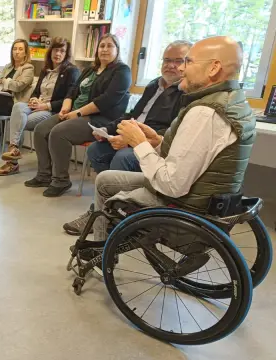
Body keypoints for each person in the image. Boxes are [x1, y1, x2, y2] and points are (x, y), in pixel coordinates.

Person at [68, 36, 255, 244]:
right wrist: (156, 140)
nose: (181, 68)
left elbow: (171, 185)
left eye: (188, 61)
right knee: (105, 173)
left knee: (113, 173)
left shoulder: (205, 112)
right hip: (204, 195)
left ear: (213, 68)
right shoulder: (231, 101)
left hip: (185, 205)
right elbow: (193, 151)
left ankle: (102, 242)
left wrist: (139, 143)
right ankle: (103, 219)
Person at [26, 34, 131, 197]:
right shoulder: (90, 69)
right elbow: (73, 89)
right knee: (41, 129)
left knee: (59, 132)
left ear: (117, 50)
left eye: (109, 46)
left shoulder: (122, 71)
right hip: (74, 112)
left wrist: (78, 113)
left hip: (100, 119)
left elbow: (106, 100)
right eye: (102, 46)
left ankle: (61, 180)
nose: (104, 49)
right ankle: (44, 175)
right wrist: (66, 106)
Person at [85, 41, 191, 176]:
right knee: (95, 150)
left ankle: (121, 191)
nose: (171, 65)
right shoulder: (153, 85)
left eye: (178, 61)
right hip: (133, 135)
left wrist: (131, 140)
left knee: (123, 157)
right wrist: (107, 129)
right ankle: (115, 190)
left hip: (154, 144)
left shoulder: (186, 92)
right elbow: (132, 115)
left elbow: (173, 130)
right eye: (167, 60)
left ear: (188, 64)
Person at [0, 37, 80, 176]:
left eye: (62, 51)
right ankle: (13, 148)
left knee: (20, 122)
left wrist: (46, 105)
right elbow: (37, 90)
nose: (58, 54)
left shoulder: (72, 71)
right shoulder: (45, 69)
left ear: (66, 54)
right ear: (50, 51)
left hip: (52, 110)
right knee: (17, 107)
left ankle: (12, 163)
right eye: (55, 50)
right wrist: (34, 98)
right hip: (36, 105)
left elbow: (70, 98)